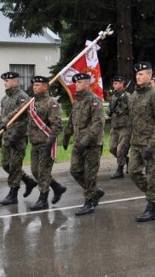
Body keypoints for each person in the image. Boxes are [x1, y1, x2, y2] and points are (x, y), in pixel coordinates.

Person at [127, 62, 155, 221]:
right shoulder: (135, 95)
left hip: (151, 143)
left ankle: (152, 207)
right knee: (133, 172)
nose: (138, 76)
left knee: (152, 175)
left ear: (149, 76)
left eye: (142, 74)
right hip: (136, 142)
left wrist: (153, 144)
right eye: (137, 74)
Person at [62, 72, 105, 216]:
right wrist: (66, 136)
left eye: (79, 83)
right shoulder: (77, 102)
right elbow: (71, 121)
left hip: (92, 144)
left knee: (90, 174)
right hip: (78, 143)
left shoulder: (94, 101)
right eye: (76, 83)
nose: (76, 85)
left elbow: (98, 123)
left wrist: (85, 141)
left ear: (87, 84)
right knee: (75, 170)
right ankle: (94, 191)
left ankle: (89, 203)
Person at [26, 75, 67, 211]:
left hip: (46, 142)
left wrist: (50, 140)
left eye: (37, 85)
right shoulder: (31, 103)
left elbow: (57, 125)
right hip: (35, 143)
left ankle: (43, 199)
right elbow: (18, 114)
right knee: (35, 171)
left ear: (45, 86)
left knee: (43, 172)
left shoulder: (51, 103)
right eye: (34, 85)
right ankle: (57, 187)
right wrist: (5, 122)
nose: (34, 87)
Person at [0, 71, 38, 206]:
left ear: (15, 81)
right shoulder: (5, 99)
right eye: (5, 81)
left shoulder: (22, 98)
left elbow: (25, 119)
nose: (5, 83)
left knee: (15, 166)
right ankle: (27, 180)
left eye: (8, 81)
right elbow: (3, 117)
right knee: (6, 164)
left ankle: (13, 194)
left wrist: (16, 134)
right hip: (7, 137)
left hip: (18, 138)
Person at [108, 76, 131, 179]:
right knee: (112, 148)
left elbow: (132, 111)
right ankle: (126, 159)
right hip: (115, 126)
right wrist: (109, 111)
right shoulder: (113, 96)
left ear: (122, 84)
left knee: (120, 149)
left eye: (116, 83)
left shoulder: (127, 96)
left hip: (125, 126)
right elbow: (109, 108)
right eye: (113, 84)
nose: (114, 85)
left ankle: (119, 170)